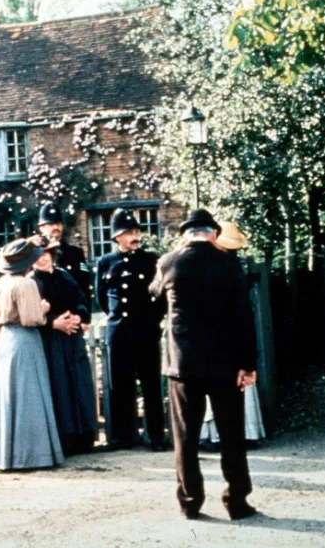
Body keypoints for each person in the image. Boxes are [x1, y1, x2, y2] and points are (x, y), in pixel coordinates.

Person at [150, 209, 258, 521]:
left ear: (185, 234)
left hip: (183, 365)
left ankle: (190, 501)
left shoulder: (169, 262)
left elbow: (154, 298)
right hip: (225, 363)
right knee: (231, 434)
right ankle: (237, 501)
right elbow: (243, 317)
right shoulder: (229, 264)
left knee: (185, 437)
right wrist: (247, 365)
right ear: (214, 234)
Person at [0, 238, 64, 470]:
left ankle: (8, 456)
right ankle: (33, 455)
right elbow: (32, 318)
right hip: (24, 340)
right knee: (29, 394)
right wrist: (44, 309)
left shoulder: (0, 284)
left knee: (10, 395)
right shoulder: (26, 284)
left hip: (6, 340)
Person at [95, 209, 167, 452]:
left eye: (136, 232)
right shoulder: (105, 262)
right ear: (117, 237)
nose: (135, 237)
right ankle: (123, 437)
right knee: (120, 386)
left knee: (151, 385)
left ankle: (156, 437)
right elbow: (102, 297)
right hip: (119, 333)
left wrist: (153, 321)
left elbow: (161, 295)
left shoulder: (151, 260)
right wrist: (116, 319)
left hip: (145, 331)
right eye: (129, 233)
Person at [199, 222, 266, 450]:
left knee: (233, 386)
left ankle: (237, 434)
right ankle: (225, 435)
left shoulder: (227, 267)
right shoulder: (221, 267)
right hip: (220, 338)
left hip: (227, 337)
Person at [32, 240, 98, 455]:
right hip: (51, 342)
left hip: (72, 339)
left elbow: (80, 299)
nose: (42, 259)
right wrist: (53, 323)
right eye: (37, 255)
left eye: (46, 253)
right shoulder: (31, 282)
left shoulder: (64, 275)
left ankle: (84, 438)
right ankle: (65, 440)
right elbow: (30, 315)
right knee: (59, 387)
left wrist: (78, 316)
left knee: (79, 384)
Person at [38, 202, 94, 310]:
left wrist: (84, 315)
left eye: (58, 223)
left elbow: (84, 286)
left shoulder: (75, 253)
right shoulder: (34, 254)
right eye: (51, 224)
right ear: (41, 228)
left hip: (72, 312)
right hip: (46, 314)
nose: (56, 227)